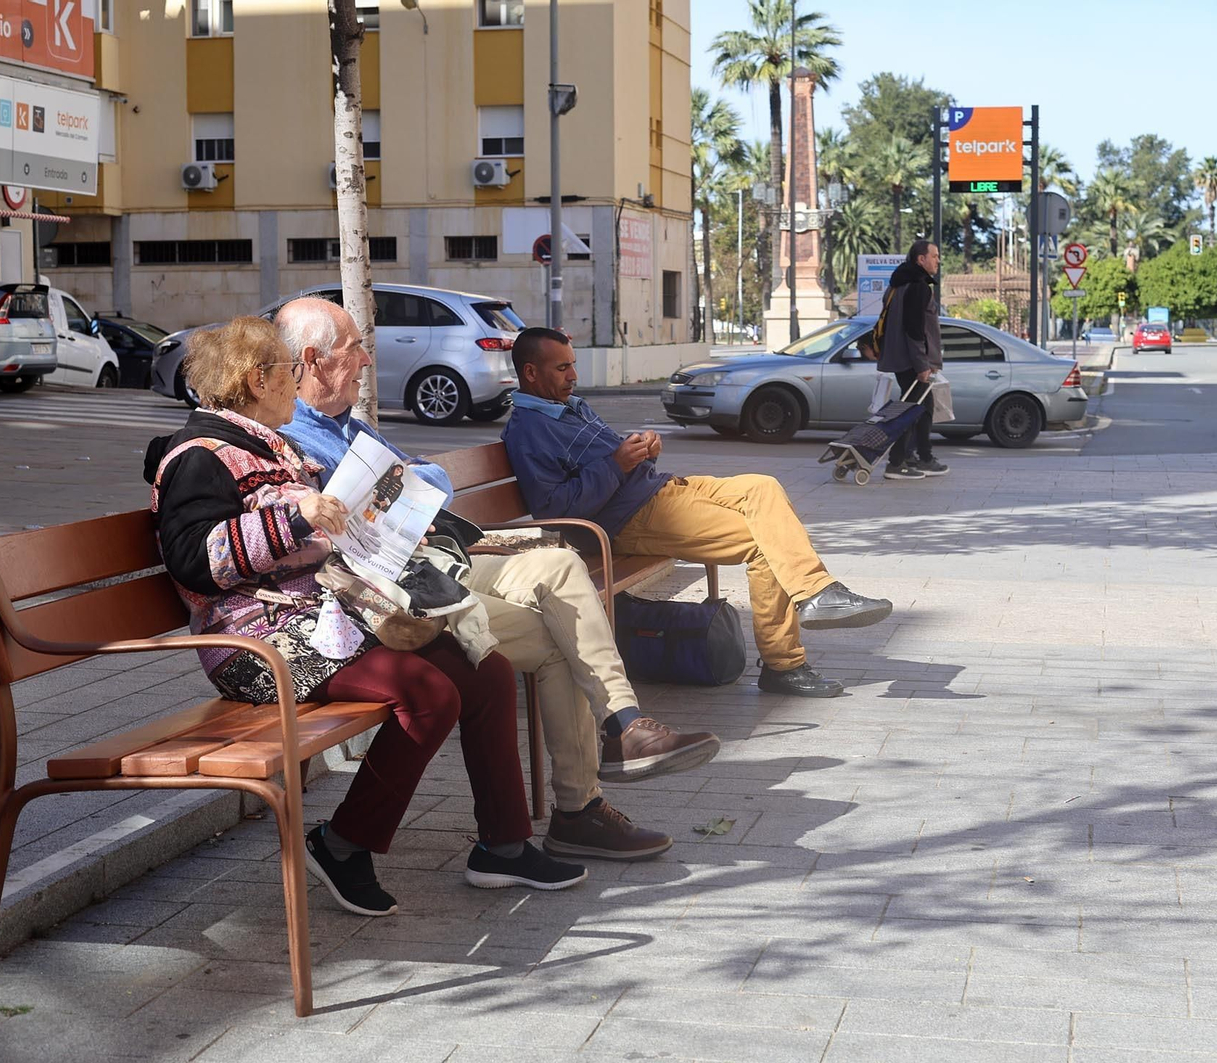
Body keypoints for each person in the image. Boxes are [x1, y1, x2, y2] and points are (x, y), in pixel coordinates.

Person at [145, 317, 588, 917]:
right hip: (256, 643)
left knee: (483, 668)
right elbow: (197, 560)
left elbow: (322, 532)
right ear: (256, 380)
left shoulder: (274, 448)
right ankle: (343, 843)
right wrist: (298, 519)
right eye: (288, 372)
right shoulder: (198, 456)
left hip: (324, 620)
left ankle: (505, 846)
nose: (295, 383)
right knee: (427, 691)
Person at [274, 298, 718, 862]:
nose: (366, 360)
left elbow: (430, 479)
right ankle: (578, 808)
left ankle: (622, 730)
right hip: (385, 591)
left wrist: (401, 482)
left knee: (559, 565)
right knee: (559, 639)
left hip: (432, 564)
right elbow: (358, 511)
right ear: (313, 360)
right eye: (355, 348)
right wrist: (402, 483)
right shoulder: (291, 437)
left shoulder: (347, 427)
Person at [501, 326, 893, 699]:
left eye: (573, 364)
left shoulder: (568, 406)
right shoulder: (528, 429)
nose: (573, 375)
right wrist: (617, 464)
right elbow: (554, 509)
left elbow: (603, 457)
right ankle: (784, 664)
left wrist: (642, 447)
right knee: (766, 544)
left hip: (661, 489)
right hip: (632, 518)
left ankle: (818, 593)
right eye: (562, 367)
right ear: (531, 373)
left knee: (763, 486)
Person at [876, 239, 949, 480]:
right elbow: (914, 330)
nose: (938, 260)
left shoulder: (897, 286)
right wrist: (922, 365)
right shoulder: (917, 287)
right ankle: (897, 463)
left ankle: (917, 456)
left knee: (921, 408)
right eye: (935, 256)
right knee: (911, 410)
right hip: (912, 361)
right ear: (921, 259)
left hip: (899, 358)